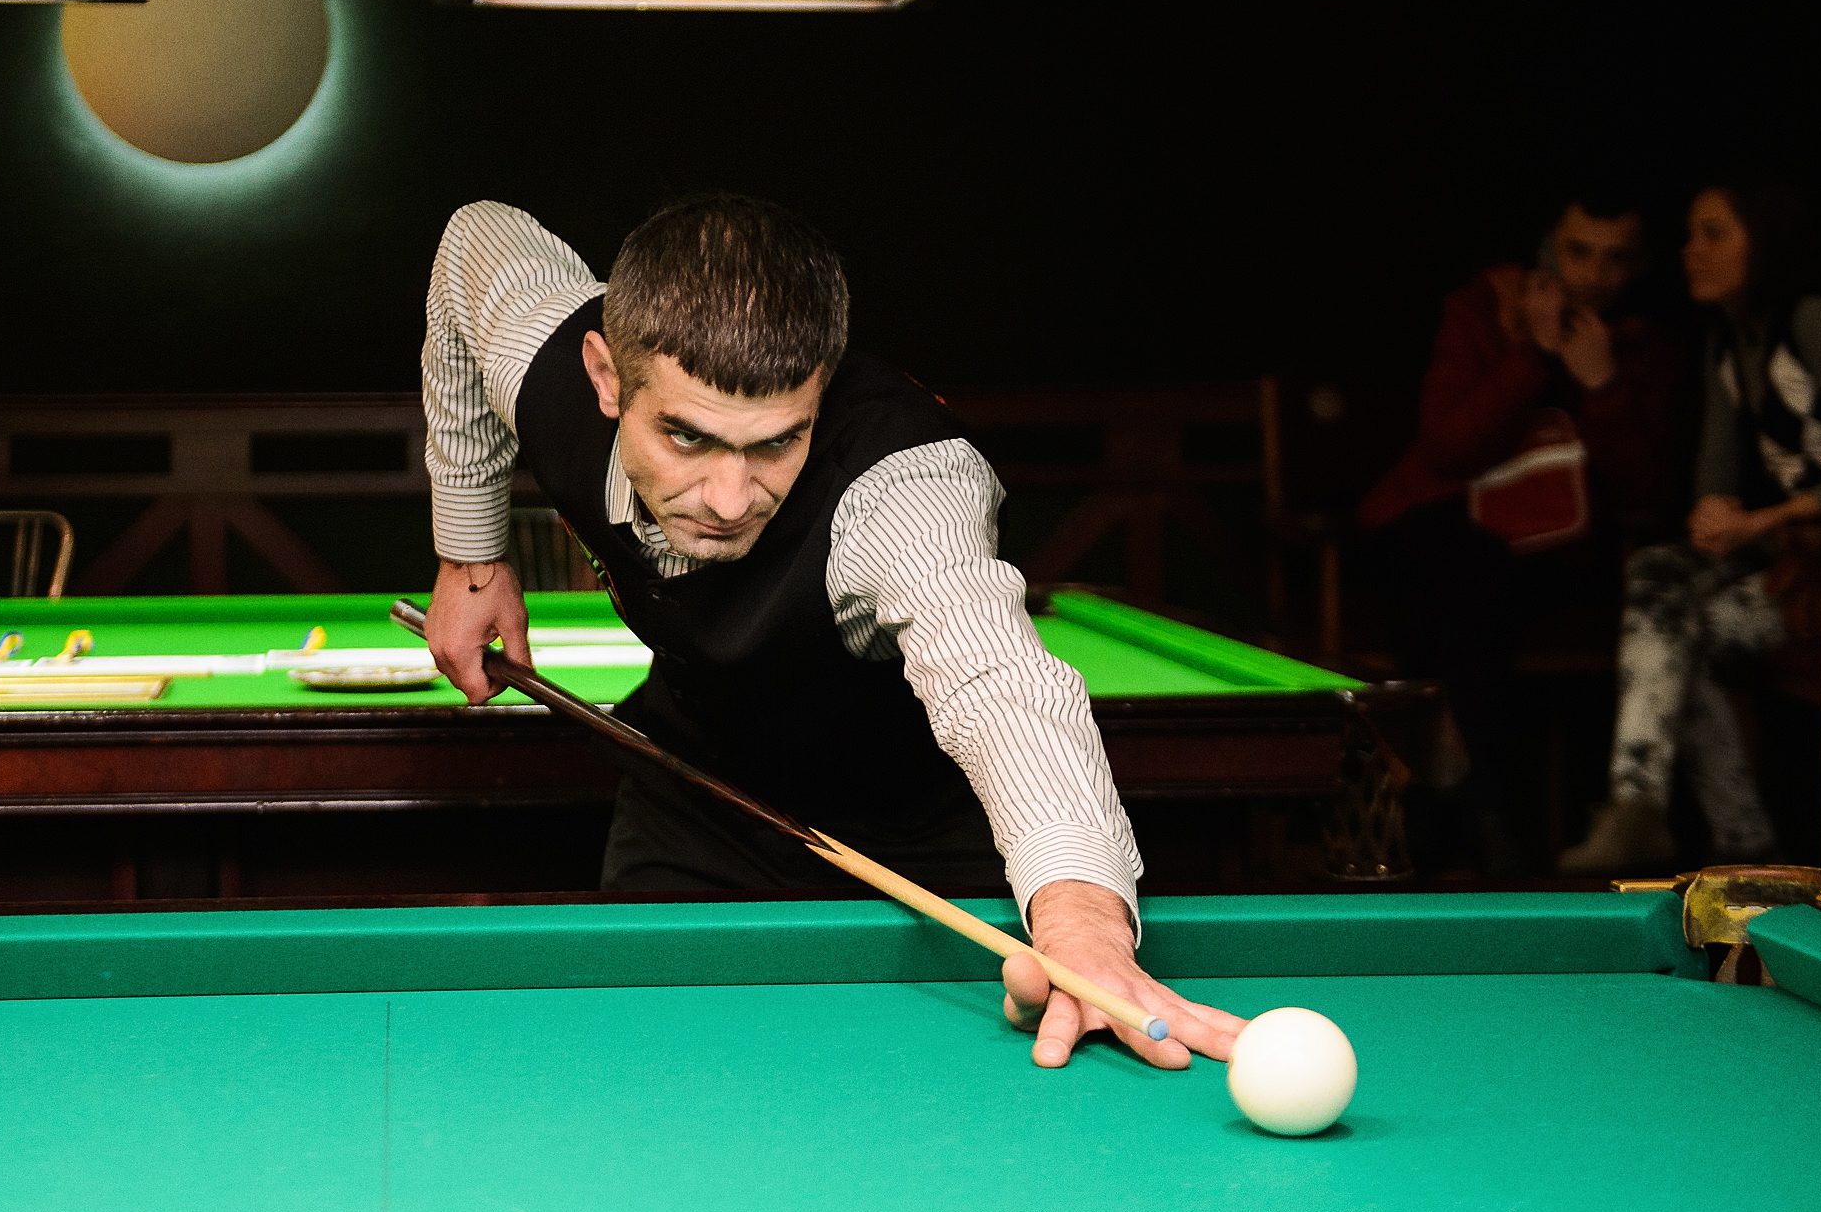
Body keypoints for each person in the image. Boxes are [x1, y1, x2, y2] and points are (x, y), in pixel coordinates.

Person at [420, 197, 1244, 1071]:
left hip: (923, 840)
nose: (729, 499)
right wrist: (471, 557)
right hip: (696, 799)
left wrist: (1081, 920)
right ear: (605, 375)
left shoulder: (901, 490)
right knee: (654, 1069)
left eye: (777, 443)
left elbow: (998, 683)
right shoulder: (546, 364)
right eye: (687, 438)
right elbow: (475, 239)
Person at [1558, 178, 1821, 873]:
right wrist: (1713, 516)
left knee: (1680, 633)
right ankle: (1649, 813)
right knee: (1661, 576)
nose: (1692, 250)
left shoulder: (1814, 321)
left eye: (1714, 234)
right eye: (1691, 234)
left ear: (1764, 243)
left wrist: (1769, 518)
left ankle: (1735, 841)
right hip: (1791, 562)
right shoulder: (1728, 342)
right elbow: (1715, 476)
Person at [1358, 187, 1687, 871]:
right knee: (1460, 571)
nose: (1593, 275)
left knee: (1466, 589)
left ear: (1640, 267)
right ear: (1546, 250)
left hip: (1554, 556)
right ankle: (1487, 814)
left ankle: (1451, 810)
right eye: (1578, 253)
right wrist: (1530, 356)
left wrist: (1602, 387)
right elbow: (1446, 446)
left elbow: (1646, 491)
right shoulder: (1485, 308)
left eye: (1615, 259)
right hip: (1436, 528)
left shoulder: (1647, 341)